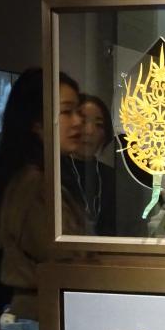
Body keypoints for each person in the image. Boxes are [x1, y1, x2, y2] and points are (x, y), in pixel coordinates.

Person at [0, 68, 82, 330]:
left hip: (40, 322)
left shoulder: (41, 178)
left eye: (77, 111)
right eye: (66, 112)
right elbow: (63, 255)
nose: (78, 122)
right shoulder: (34, 184)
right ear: (36, 123)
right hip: (38, 325)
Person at [73, 93, 118, 235]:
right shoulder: (55, 173)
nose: (90, 131)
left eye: (99, 125)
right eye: (83, 121)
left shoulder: (112, 178)